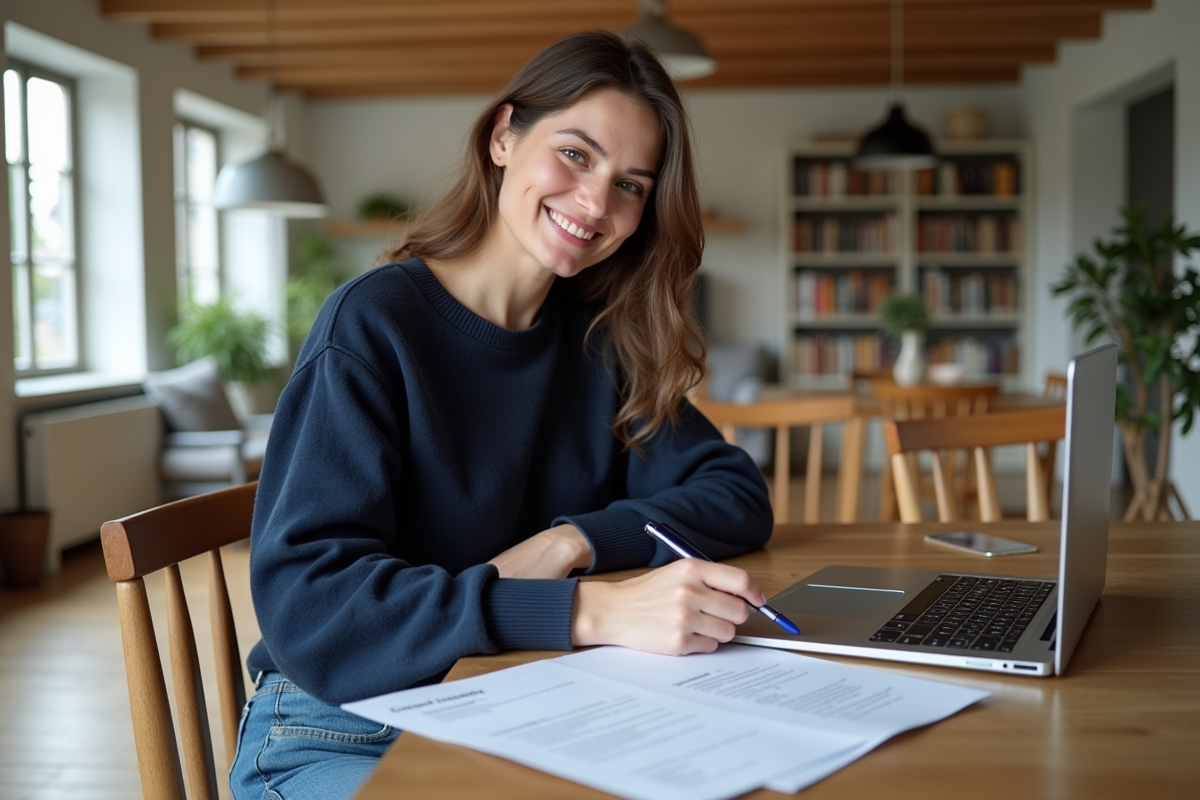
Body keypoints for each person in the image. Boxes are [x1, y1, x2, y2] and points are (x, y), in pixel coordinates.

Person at [229, 30, 773, 800]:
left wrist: (570, 542)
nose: (595, 203)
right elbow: (318, 610)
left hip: (510, 703)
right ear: (503, 136)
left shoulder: (598, 342)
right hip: (338, 725)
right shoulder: (374, 327)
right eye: (577, 155)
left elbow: (734, 492)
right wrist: (582, 608)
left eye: (631, 185)